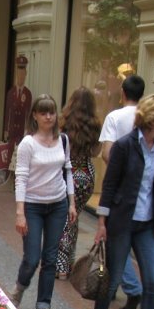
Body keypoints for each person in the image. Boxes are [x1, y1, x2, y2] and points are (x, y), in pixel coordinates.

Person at [87, 94, 154, 309]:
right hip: (122, 221)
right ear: (152, 118)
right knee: (111, 280)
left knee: (153, 280)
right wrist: (102, 222)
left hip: (146, 223)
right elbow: (110, 184)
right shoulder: (125, 146)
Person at [8, 94, 76, 309]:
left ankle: (43, 307)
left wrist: (72, 203)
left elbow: (68, 171)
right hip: (34, 205)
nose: (48, 116)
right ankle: (19, 287)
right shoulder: (28, 143)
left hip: (58, 204)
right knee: (32, 257)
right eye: (43, 112)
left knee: (50, 259)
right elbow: (21, 177)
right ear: (35, 116)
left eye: (52, 112)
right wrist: (20, 211)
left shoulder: (63, 140)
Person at [99, 74, 146, 309]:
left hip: (119, 188)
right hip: (142, 191)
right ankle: (123, 283)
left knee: (116, 239)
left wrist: (120, 169)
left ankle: (130, 285)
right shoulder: (148, 118)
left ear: (123, 94)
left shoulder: (115, 117)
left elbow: (107, 152)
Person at [55, 87, 102, 276]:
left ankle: (61, 264)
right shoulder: (95, 125)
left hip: (69, 172)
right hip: (86, 174)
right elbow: (96, 152)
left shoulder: (64, 122)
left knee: (64, 218)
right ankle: (69, 259)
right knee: (74, 218)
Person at [3, 55, 32, 165]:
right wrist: (6, 129)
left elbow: (28, 113)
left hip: (21, 130)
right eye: (18, 74)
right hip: (12, 130)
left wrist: (28, 129)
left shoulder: (28, 94)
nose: (20, 77)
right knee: (10, 154)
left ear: (25, 75)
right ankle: (8, 178)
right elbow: (7, 112)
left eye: (22, 74)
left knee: (20, 155)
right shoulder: (11, 93)